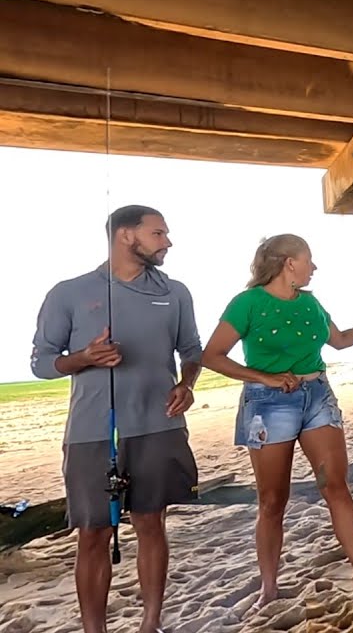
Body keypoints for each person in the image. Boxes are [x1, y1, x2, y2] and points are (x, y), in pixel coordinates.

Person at [199, 234, 353, 614]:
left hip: (317, 397)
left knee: (336, 485)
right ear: (288, 263)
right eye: (309, 259)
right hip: (268, 404)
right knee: (272, 501)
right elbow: (211, 356)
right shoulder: (247, 304)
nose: (314, 266)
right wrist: (263, 377)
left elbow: (341, 341)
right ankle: (268, 587)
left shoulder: (311, 303)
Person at [29, 205, 204, 633]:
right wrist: (85, 358)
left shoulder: (176, 291)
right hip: (92, 434)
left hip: (159, 426)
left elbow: (192, 351)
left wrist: (187, 384)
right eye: (158, 233)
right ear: (127, 236)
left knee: (151, 524)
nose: (168, 242)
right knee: (92, 533)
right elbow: (42, 362)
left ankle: (150, 624)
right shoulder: (68, 293)